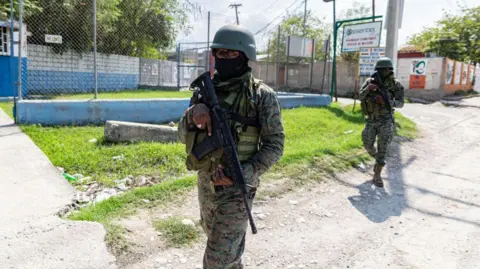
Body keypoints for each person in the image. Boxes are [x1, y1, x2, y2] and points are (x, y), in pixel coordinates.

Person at [177, 24, 285, 269]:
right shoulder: (204, 93)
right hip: (207, 185)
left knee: (216, 261)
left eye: (230, 54)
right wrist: (193, 115)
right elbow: (182, 136)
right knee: (225, 253)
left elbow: (275, 144)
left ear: (244, 56)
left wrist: (243, 173)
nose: (223, 59)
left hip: (238, 189)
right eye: (219, 53)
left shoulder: (261, 96)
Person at [358, 57, 404, 188]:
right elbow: (360, 96)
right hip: (372, 119)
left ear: (390, 70)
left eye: (386, 69)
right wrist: (369, 89)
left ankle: (377, 174)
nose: (383, 71)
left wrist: (386, 102)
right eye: (380, 69)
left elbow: (401, 103)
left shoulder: (396, 84)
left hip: (386, 120)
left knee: (383, 148)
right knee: (367, 143)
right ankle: (377, 159)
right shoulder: (370, 81)